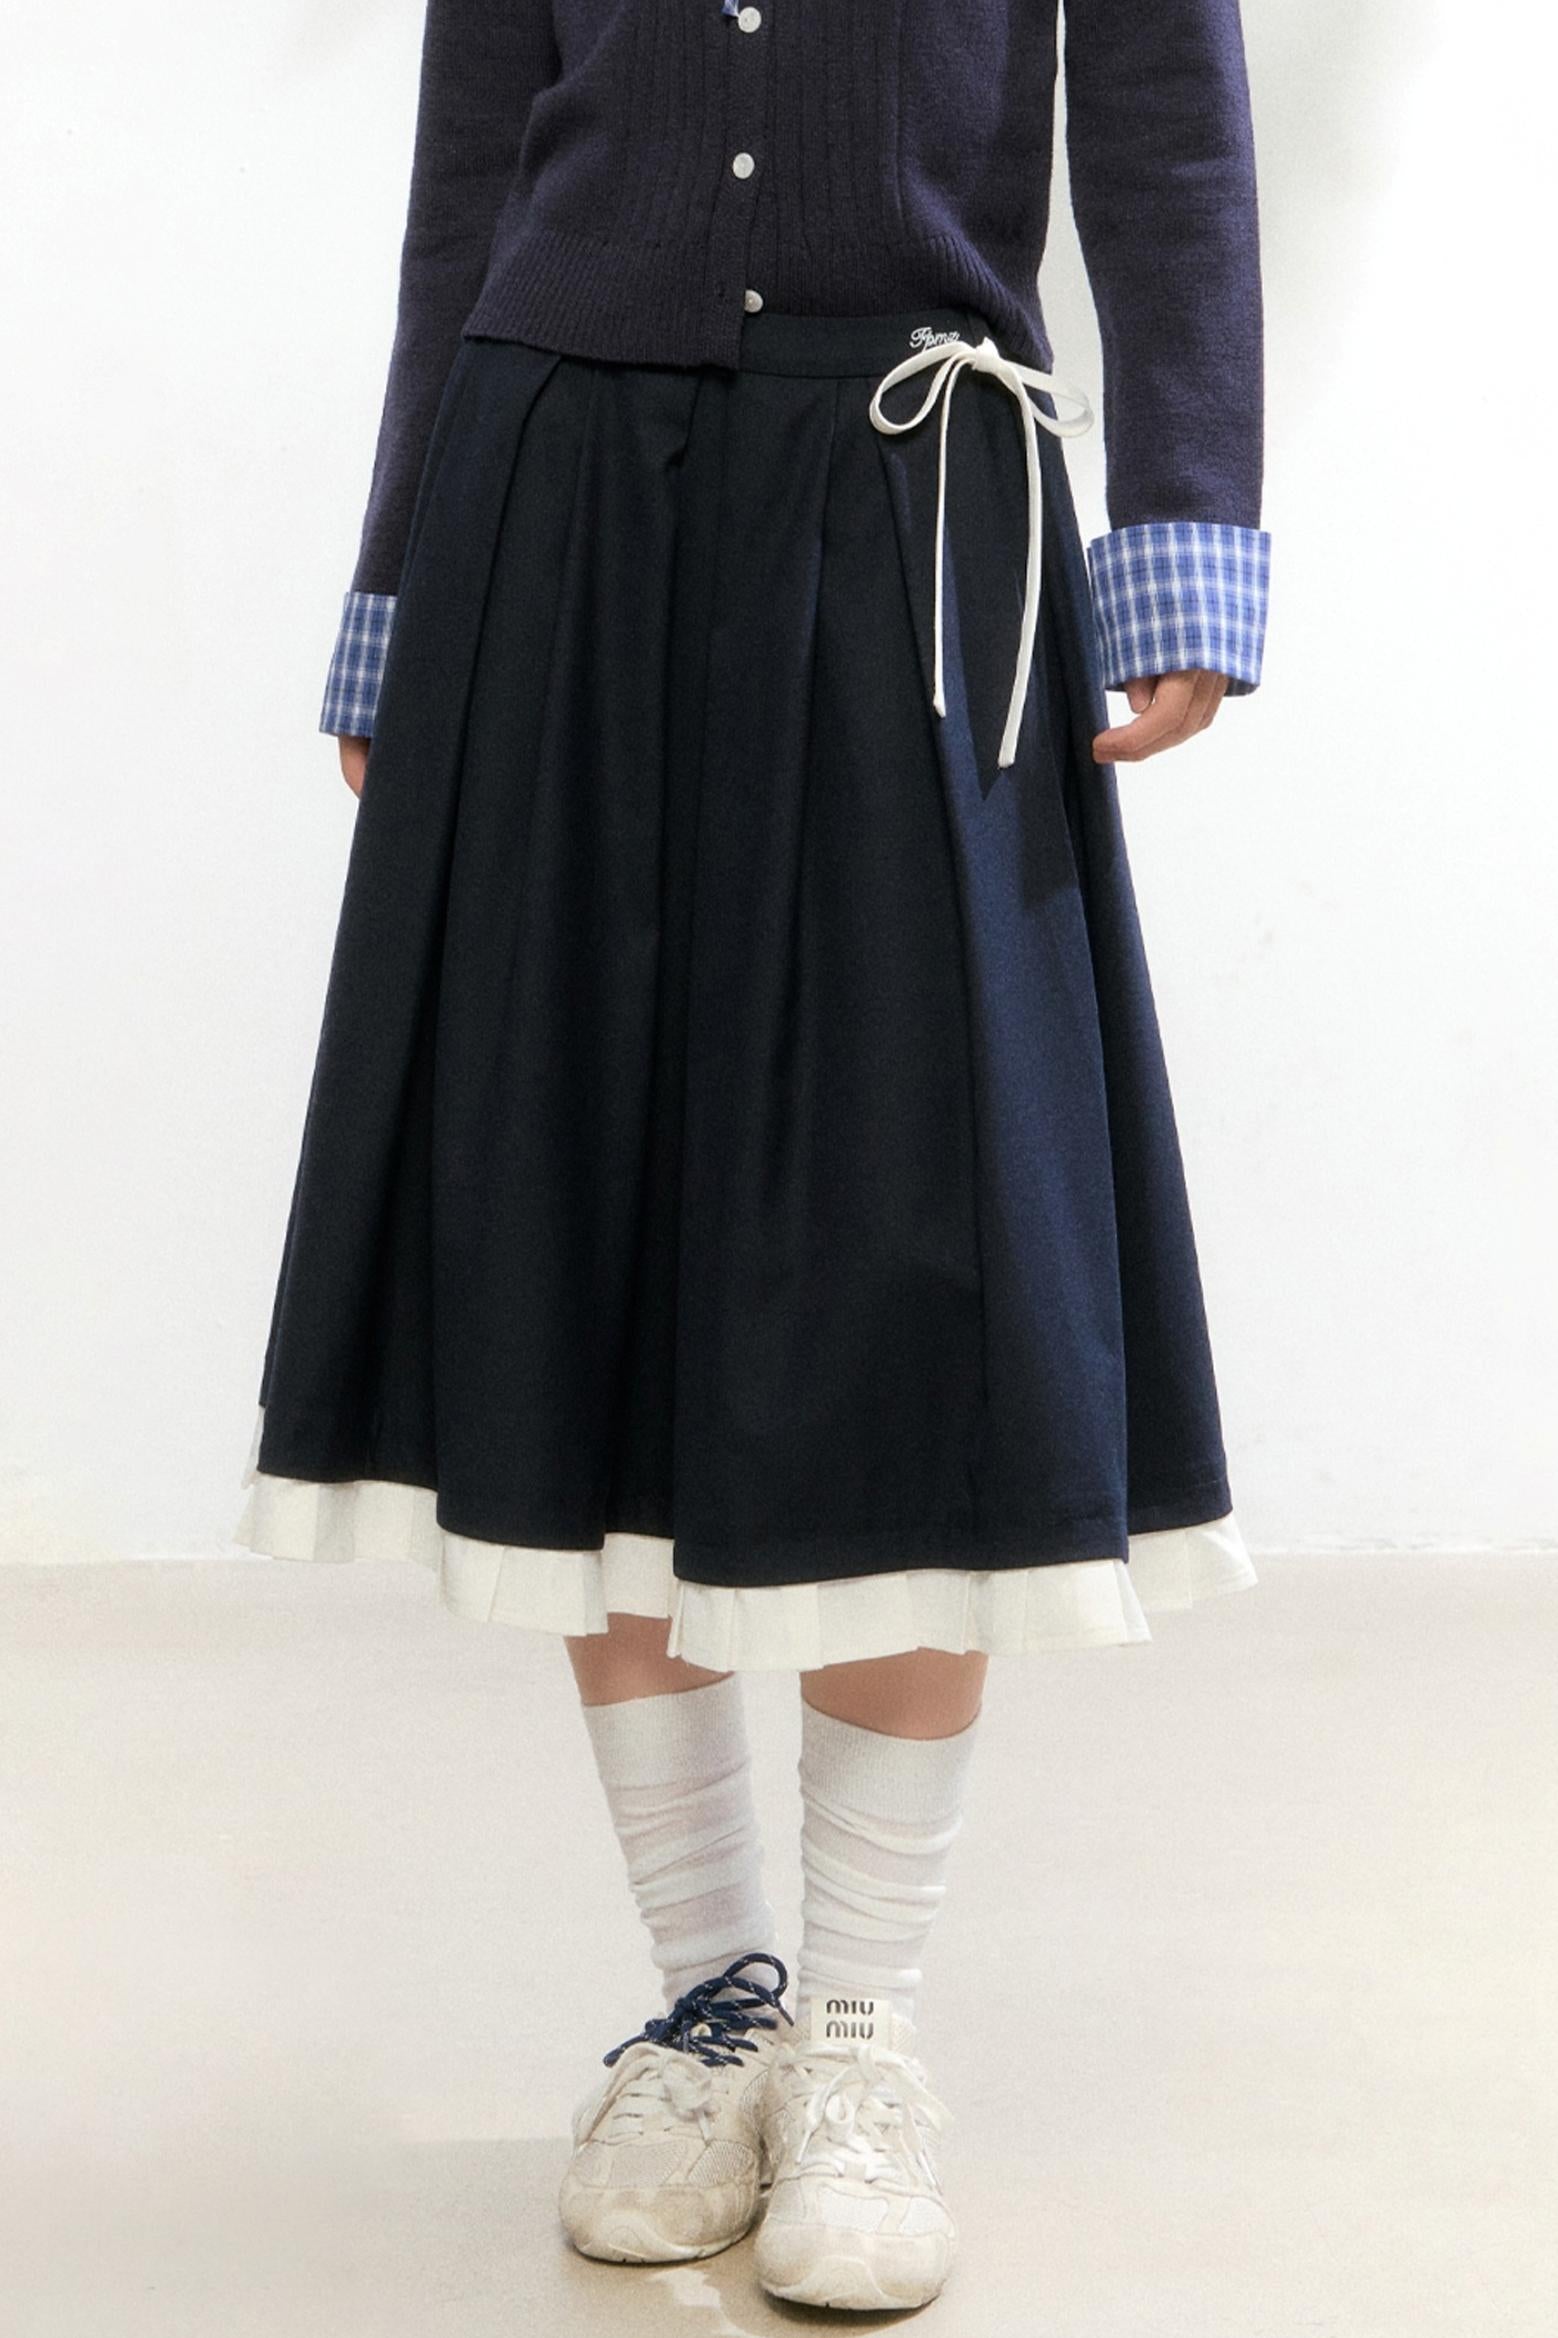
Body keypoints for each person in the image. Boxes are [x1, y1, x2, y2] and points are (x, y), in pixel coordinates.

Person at [236, 0, 1270, 2310]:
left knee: (922, 1255)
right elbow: (472, 161)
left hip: (906, 495)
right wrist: (398, 590)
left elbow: (1169, 135)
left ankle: (862, 2023)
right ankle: (709, 2001)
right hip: (555, 501)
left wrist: (1189, 529)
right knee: (591, 1226)